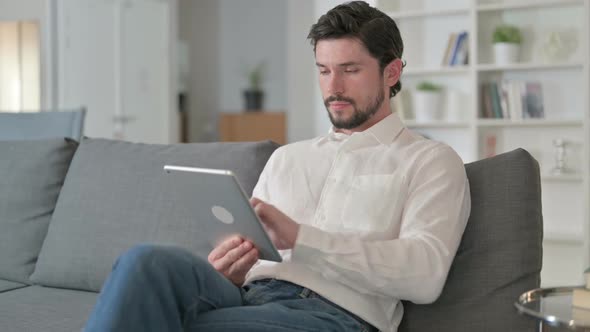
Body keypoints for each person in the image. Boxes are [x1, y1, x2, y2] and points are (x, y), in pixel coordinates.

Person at [84, 1, 470, 331]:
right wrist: (229, 266)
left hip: (335, 314)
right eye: (323, 70)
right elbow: (250, 259)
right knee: (143, 262)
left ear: (392, 72)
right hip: (246, 295)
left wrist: (301, 238)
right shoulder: (288, 157)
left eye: (350, 70)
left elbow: (425, 274)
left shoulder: (429, 160)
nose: (333, 86)